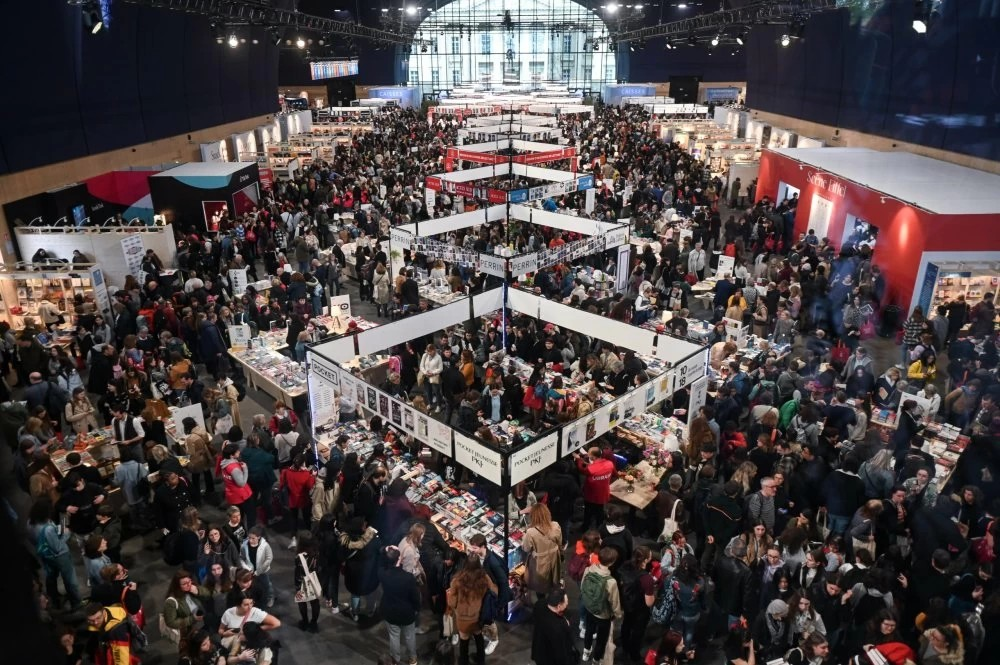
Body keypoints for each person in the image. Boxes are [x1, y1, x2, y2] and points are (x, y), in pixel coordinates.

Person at [29, 498, 83, 610]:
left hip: (45, 555)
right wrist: (67, 534)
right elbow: (58, 547)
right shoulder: (48, 528)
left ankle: (55, 600)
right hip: (60, 556)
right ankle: (76, 603)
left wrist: (59, 529)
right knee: (70, 580)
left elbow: (36, 540)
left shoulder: (30, 523)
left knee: (51, 576)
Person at [447, 556, 497, 665]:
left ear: (465, 565)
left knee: (463, 640)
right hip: (478, 615)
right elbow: (494, 591)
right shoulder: (484, 578)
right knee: (478, 636)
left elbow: (452, 603)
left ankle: (463, 661)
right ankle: (481, 660)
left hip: (462, 617)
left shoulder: (457, 580)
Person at [380, 545, 422, 665]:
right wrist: (416, 609)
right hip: (407, 613)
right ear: (399, 559)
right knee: (410, 636)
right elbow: (415, 597)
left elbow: (380, 562)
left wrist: (385, 550)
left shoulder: (382, 574)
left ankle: (395, 660)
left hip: (390, 611)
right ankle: (413, 658)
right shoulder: (408, 578)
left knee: (394, 637)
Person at [580, 547, 623, 663]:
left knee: (589, 630)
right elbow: (614, 602)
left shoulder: (588, 570)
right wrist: (618, 614)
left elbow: (582, 586)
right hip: (603, 614)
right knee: (601, 639)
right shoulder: (610, 581)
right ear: (612, 562)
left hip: (589, 608)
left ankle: (586, 651)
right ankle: (596, 659)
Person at [619, 546, 657, 663]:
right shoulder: (647, 579)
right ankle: (634, 654)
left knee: (626, 625)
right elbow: (649, 602)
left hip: (627, 604)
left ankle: (624, 647)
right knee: (637, 632)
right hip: (640, 610)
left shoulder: (625, 566)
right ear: (645, 560)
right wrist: (655, 594)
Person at [521, 502, 563, 600]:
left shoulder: (531, 532)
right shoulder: (555, 525)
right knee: (554, 581)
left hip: (540, 561)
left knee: (540, 586)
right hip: (554, 558)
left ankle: (542, 603)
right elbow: (560, 543)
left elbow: (526, 548)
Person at [531, 588, 578, 665]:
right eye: (566, 602)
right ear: (559, 606)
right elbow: (562, 652)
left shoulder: (539, 604)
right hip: (551, 659)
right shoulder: (559, 627)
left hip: (539, 650)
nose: (567, 604)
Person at [162, 569, 212, 641]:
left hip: (203, 623)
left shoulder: (192, 587)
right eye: (184, 584)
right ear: (178, 586)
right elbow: (170, 622)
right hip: (189, 631)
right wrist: (191, 619)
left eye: (189, 581)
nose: (189, 584)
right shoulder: (171, 601)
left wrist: (198, 591)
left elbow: (208, 595)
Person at [279, 454, 315, 550]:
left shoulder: (286, 472)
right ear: (303, 463)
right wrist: (312, 475)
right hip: (304, 499)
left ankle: (293, 538)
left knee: (293, 518)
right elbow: (310, 486)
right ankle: (308, 535)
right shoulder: (306, 474)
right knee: (306, 517)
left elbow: (282, 483)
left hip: (292, 499)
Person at [575, 446, 615, 531]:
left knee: (588, 513)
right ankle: (599, 528)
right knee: (600, 512)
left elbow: (581, 469)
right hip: (603, 494)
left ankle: (585, 528)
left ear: (593, 457)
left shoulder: (590, 469)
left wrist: (578, 459)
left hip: (591, 496)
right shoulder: (609, 464)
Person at [83, 601, 136, 665]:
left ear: (104, 613)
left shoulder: (116, 632)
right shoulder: (106, 612)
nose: (95, 622)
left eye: (98, 618)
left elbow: (121, 659)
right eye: (91, 620)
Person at [221, 443, 256, 529]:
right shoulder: (234, 469)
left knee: (239, 516)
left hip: (232, 495)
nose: (239, 452)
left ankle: (241, 531)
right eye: (237, 452)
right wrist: (245, 469)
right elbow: (242, 483)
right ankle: (252, 532)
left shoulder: (224, 463)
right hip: (242, 496)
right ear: (232, 455)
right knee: (251, 514)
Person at [239, 526, 274, 609]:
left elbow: (269, 558)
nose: (250, 540)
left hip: (262, 570)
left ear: (258, 537)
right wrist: (246, 568)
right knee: (253, 586)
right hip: (250, 570)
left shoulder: (265, 545)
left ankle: (269, 598)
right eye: (249, 537)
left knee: (267, 585)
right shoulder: (244, 545)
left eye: (253, 538)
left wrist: (259, 570)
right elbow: (241, 558)